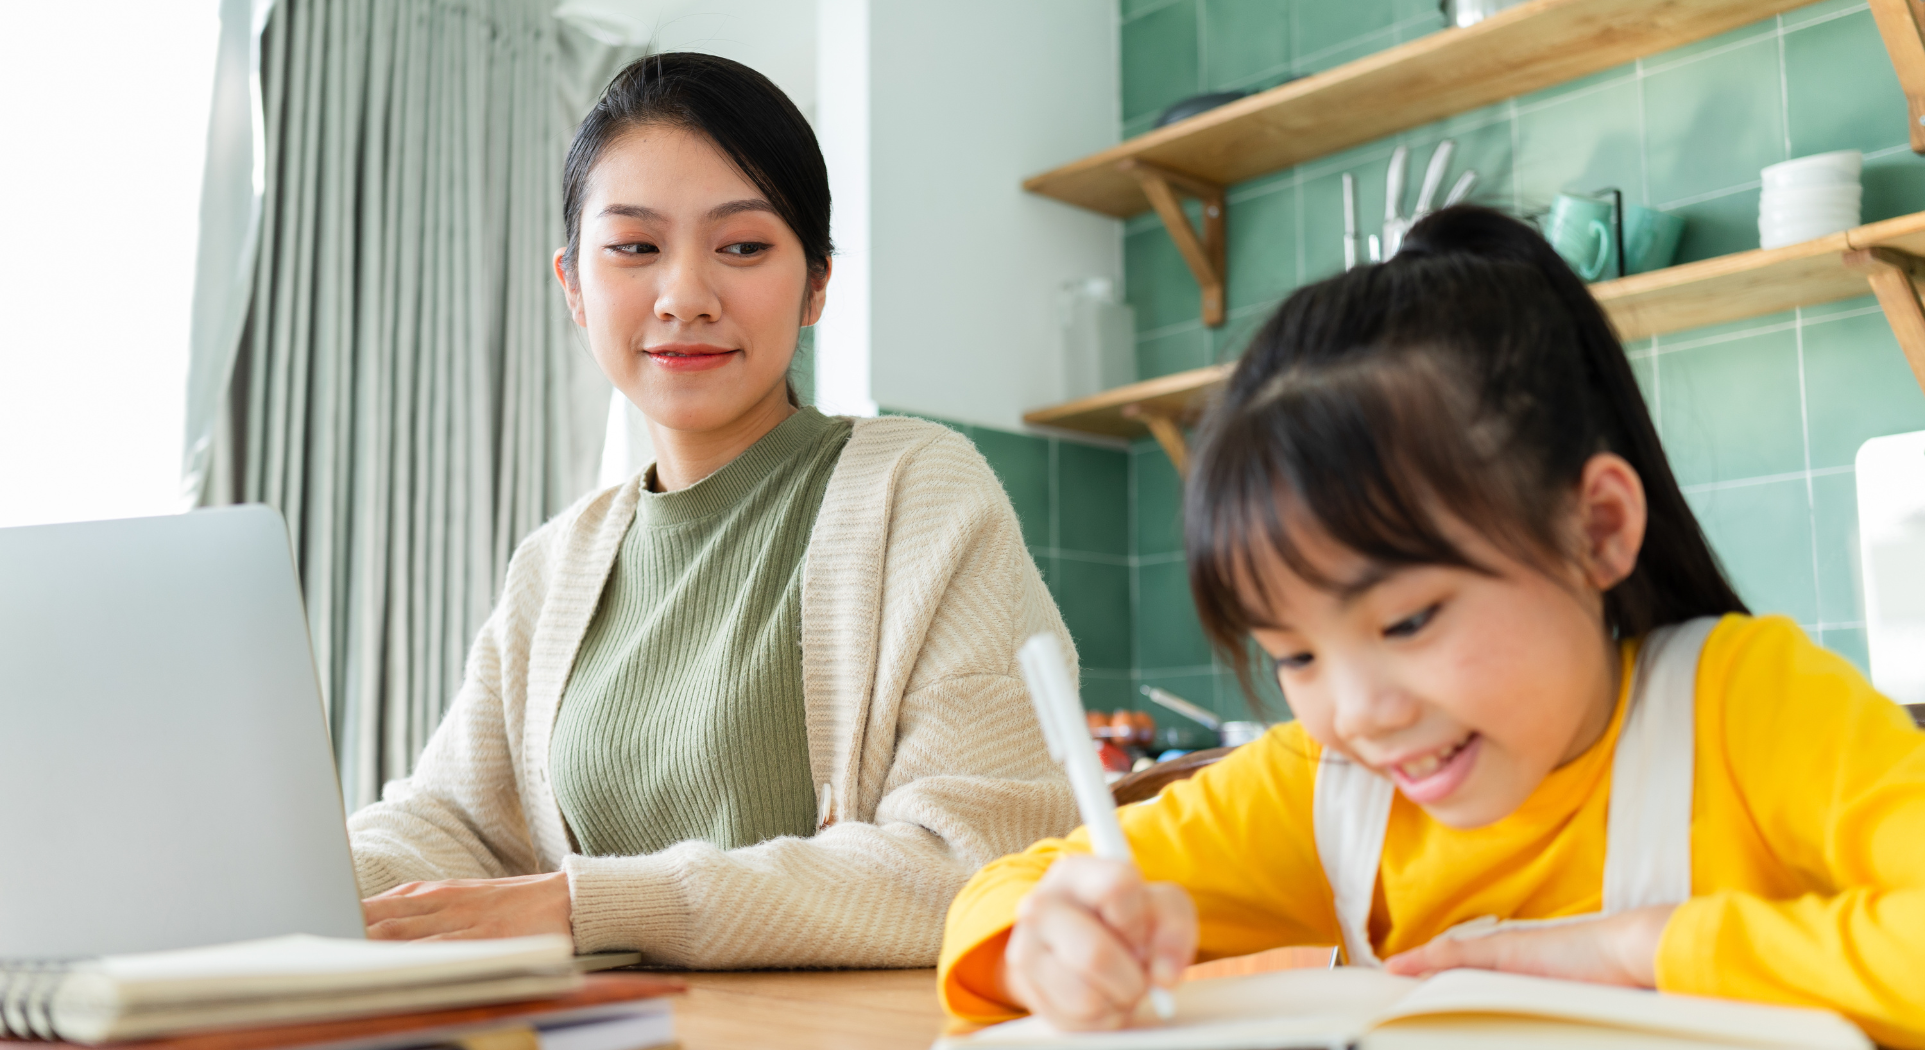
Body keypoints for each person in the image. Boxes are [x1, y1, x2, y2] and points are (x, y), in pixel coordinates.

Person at [937, 207, 1925, 1047]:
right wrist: (1051, 943)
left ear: (1597, 529)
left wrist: (1636, 950)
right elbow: (999, 898)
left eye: (1407, 620)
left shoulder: (1740, 709)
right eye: (1293, 654)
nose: (1359, 710)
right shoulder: (1338, 793)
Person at [346, 52, 1077, 968]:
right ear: (573, 284)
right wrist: (287, 881)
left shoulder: (920, 492)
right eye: (634, 247)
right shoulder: (555, 564)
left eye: (741, 247)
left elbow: (978, 866)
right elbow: (448, 823)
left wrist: (595, 906)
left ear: (815, 284)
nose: (684, 297)